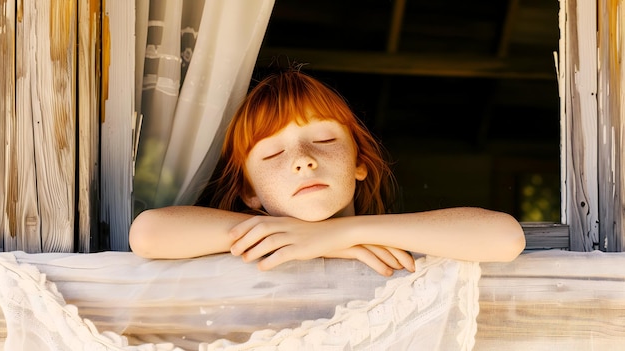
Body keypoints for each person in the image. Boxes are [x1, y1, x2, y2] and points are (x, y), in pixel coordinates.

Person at [129, 69, 526, 276]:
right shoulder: (247, 241)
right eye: (271, 154)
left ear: (359, 163)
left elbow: (505, 237)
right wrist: (325, 243)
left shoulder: (390, 242)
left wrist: (336, 233)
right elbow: (148, 233)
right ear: (249, 192)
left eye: (322, 140)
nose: (302, 159)